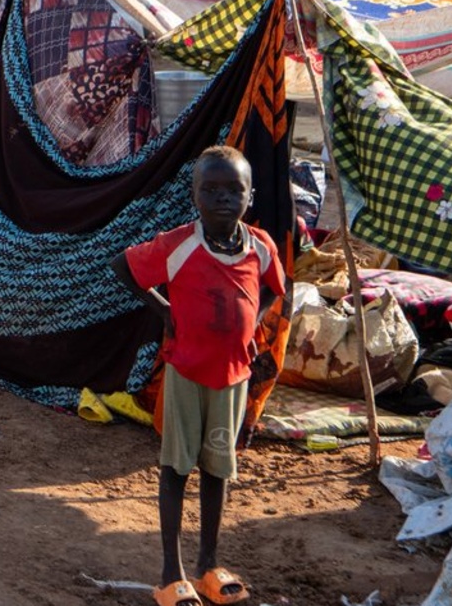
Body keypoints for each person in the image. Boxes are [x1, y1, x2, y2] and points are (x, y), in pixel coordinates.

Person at [111, 146, 285, 606]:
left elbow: (274, 287)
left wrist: (255, 324)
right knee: (176, 469)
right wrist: (164, 309)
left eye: (234, 190)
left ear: (250, 195)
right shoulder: (179, 245)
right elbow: (123, 267)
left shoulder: (261, 246)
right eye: (211, 190)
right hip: (187, 372)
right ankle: (172, 574)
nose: (223, 199)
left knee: (218, 469)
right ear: (195, 195)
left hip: (233, 377)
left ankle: (209, 566)